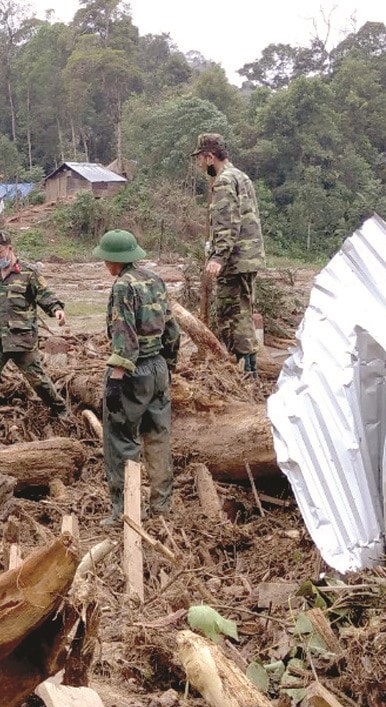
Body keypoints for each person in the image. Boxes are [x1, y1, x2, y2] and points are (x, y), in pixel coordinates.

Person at [93, 229, 180, 526]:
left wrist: (116, 380)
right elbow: (172, 328)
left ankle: (125, 511)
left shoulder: (122, 288)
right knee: (158, 437)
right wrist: (168, 364)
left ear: (114, 261)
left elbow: (124, 338)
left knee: (121, 440)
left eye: (106, 260)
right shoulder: (154, 280)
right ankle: (161, 507)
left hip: (133, 370)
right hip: (157, 368)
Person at [0, 232, 71, 445]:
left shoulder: (29, 273)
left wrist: (57, 310)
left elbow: (46, 295)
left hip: (20, 339)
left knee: (39, 381)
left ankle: (61, 410)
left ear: (9, 248)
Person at [191, 133, 265, 375]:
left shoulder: (224, 181)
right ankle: (248, 371)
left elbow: (228, 222)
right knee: (242, 313)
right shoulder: (241, 176)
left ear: (210, 157)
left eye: (201, 159)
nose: (201, 165)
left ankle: (245, 374)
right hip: (248, 257)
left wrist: (218, 257)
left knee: (232, 317)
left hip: (234, 261)